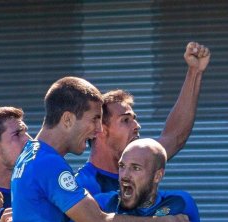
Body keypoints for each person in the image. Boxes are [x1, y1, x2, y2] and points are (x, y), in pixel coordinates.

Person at [10, 76, 192, 222]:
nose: (98, 130)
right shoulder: (48, 163)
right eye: (94, 119)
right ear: (68, 119)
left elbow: (171, 141)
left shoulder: (30, 154)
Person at [57, 138, 228, 222]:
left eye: (135, 168)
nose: (124, 176)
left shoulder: (179, 203)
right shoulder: (101, 205)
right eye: (122, 167)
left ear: (157, 176)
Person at [76, 42, 211, 196]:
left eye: (135, 119)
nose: (137, 125)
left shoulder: (142, 161)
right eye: (125, 120)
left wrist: (195, 71)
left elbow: (175, 137)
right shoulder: (82, 187)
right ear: (100, 130)